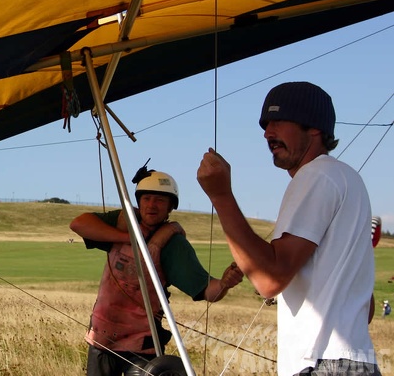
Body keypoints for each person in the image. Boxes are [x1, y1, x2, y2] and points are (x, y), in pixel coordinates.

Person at [197, 81, 381, 376]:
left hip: (324, 364)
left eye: (279, 122)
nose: (268, 133)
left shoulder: (317, 176)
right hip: (351, 361)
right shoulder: (346, 180)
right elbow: (366, 310)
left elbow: (269, 280)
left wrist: (220, 195)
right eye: (266, 124)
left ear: (314, 128)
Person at [70, 166, 243, 376]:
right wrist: (129, 238)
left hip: (141, 347)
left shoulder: (173, 245)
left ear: (170, 207)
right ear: (139, 202)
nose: (152, 205)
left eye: (160, 200)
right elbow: (79, 224)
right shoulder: (124, 222)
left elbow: (208, 291)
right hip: (102, 338)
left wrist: (225, 282)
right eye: (147, 198)